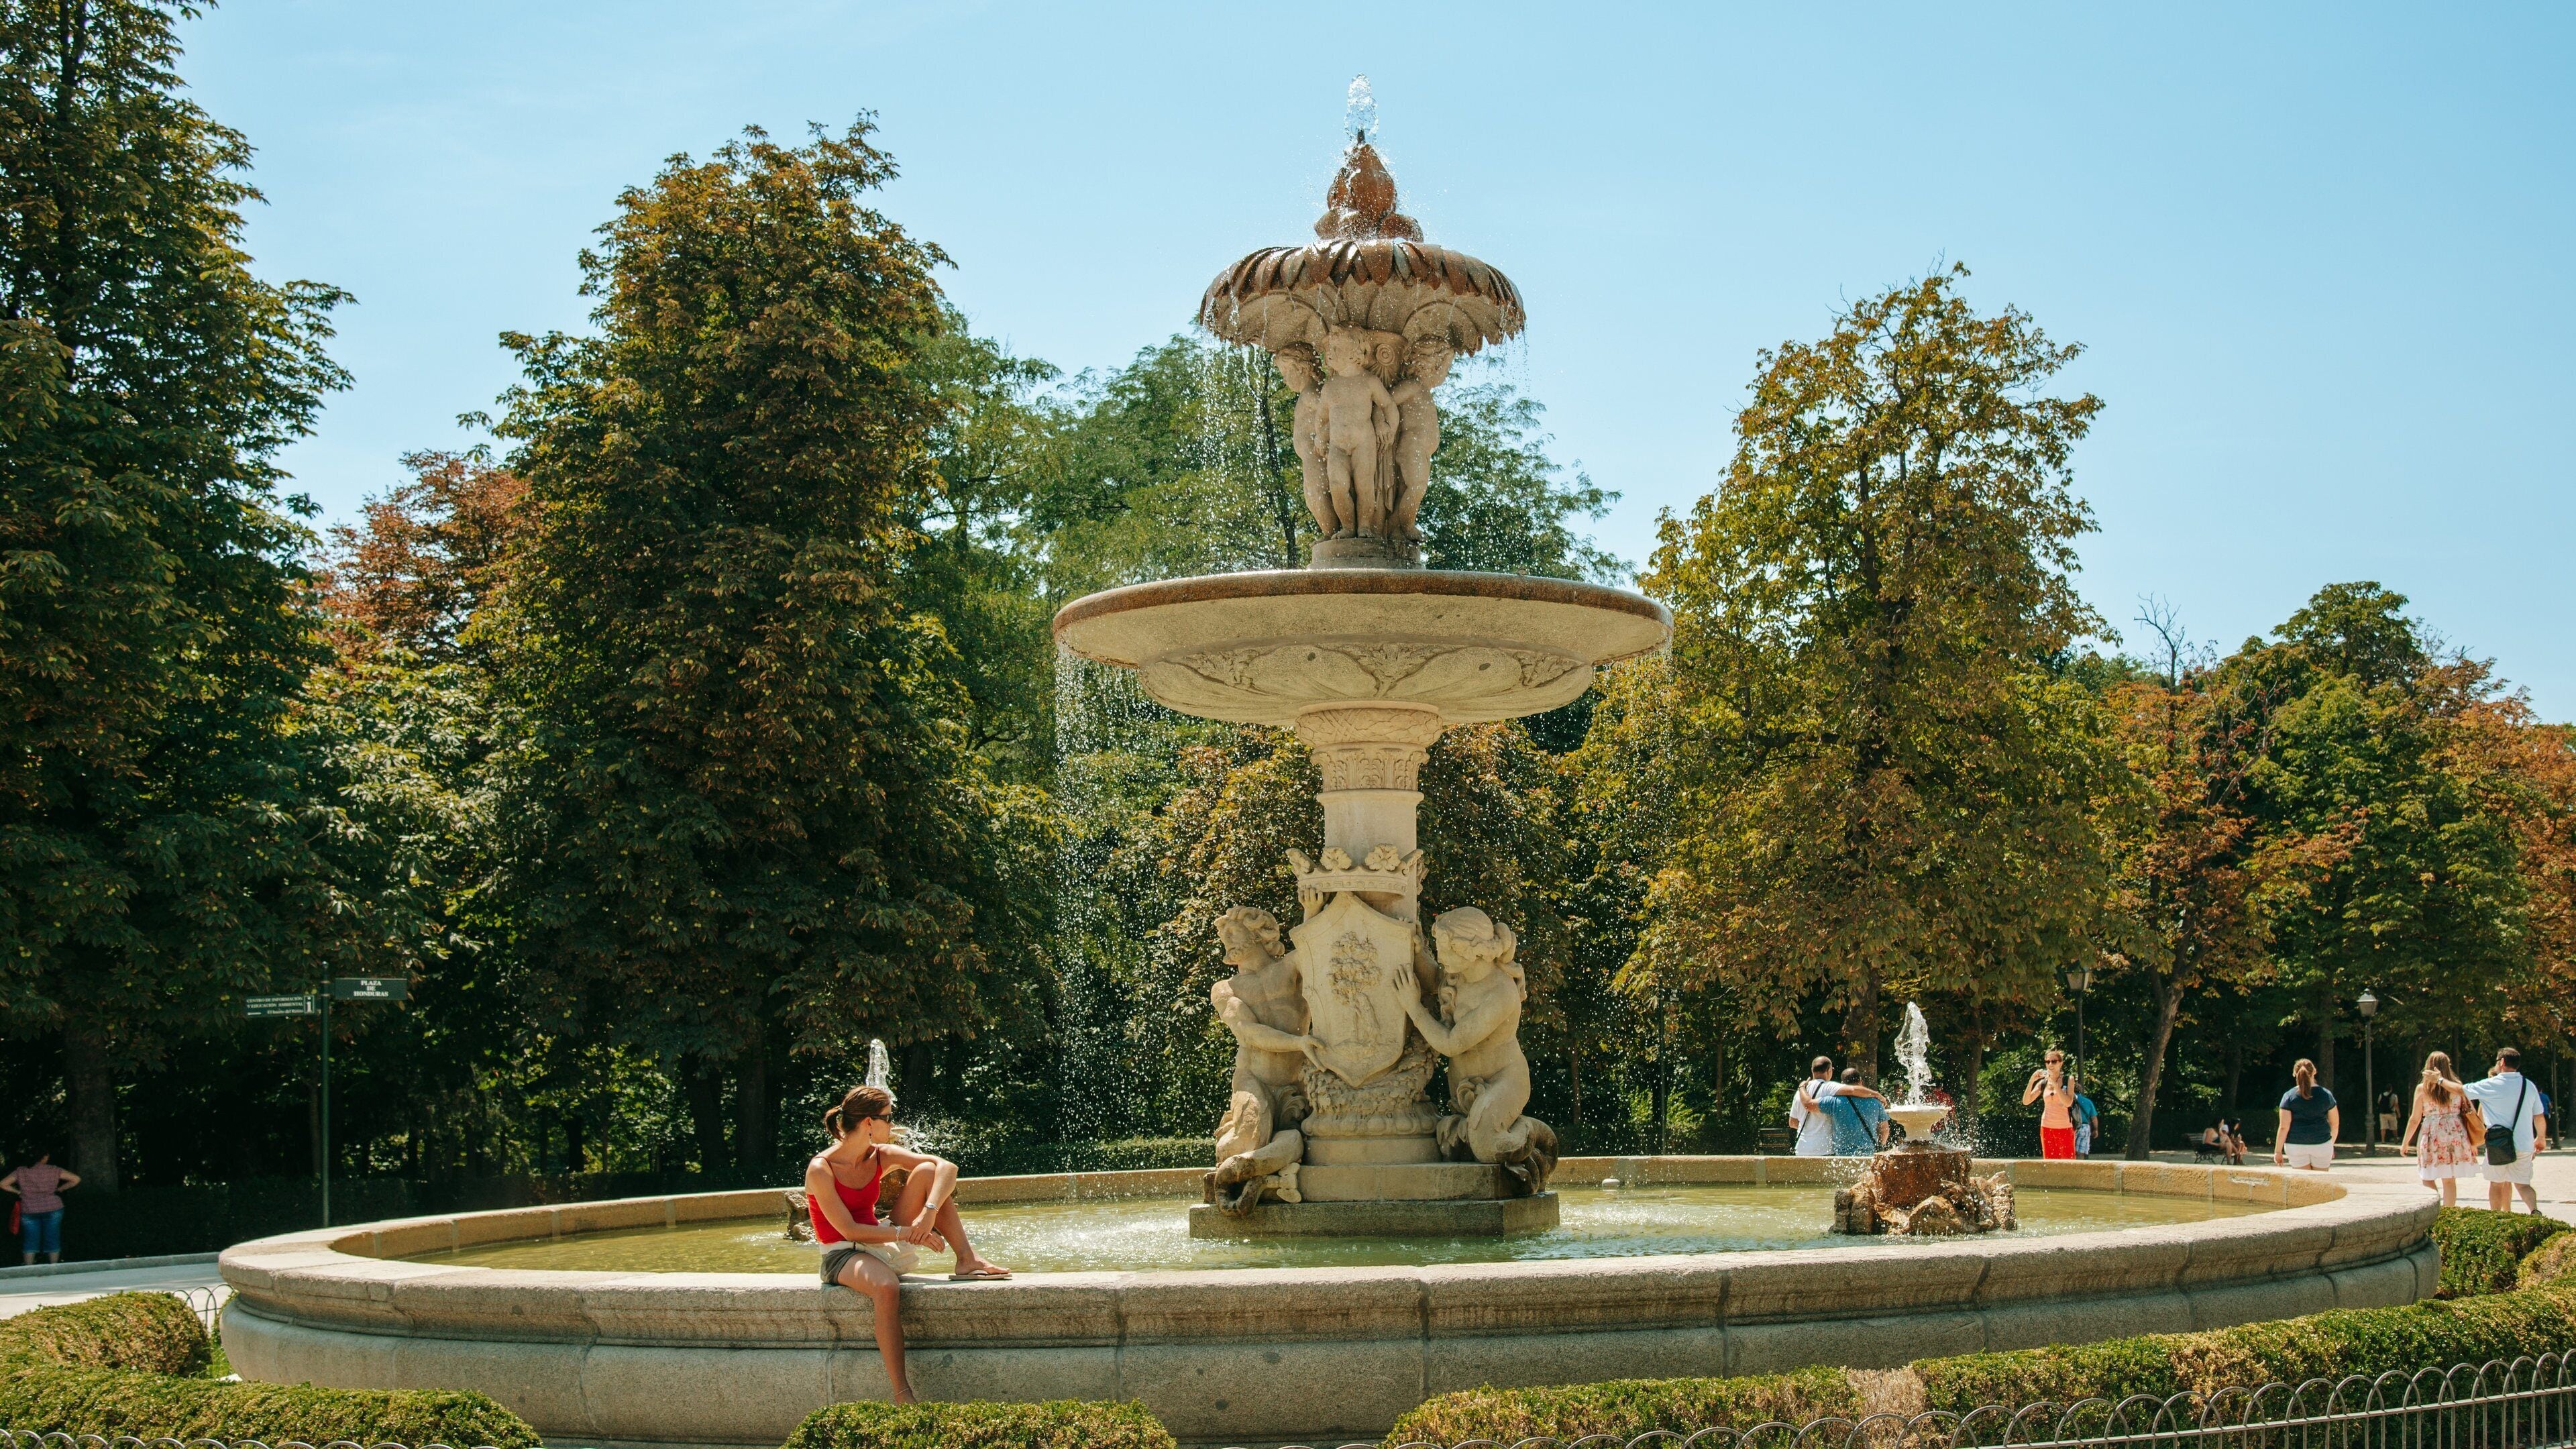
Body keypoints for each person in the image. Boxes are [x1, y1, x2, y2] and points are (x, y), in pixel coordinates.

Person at [805, 1085, 1010, 1405]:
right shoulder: (822, 1168)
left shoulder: (880, 1155)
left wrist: (927, 1216)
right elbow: (848, 1229)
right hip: (842, 1253)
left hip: (879, 1239)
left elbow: (947, 1168)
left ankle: (967, 1260)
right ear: (870, 1123)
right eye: (889, 1118)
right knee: (886, 1287)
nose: (893, 1125)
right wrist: (905, 1233)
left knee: (928, 1173)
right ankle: (902, 1393)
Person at [2465, 1047, 2551, 1213]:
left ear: (2502, 1062)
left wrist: (2440, 1081)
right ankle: (2535, 1211)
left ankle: (2497, 1217)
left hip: (2499, 1143)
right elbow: (2539, 1116)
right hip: (2524, 1144)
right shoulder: (2529, 1085)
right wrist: (2541, 1138)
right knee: (2524, 1185)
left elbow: (2463, 1091)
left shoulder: (2492, 1084)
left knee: (2496, 1184)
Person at [2398, 1051, 2478, 1208]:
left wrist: (2405, 1142)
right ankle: (2448, 1212)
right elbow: (2471, 1111)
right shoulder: (2456, 1087)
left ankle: (2435, 1209)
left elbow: (2415, 1119)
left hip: (2432, 1133)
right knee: (2449, 1179)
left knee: (2427, 1176)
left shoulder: (2422, 1089)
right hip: (2455, 1132)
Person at [1788, 1057, 1884, 1157]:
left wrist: (1811, 1127)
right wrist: (1876, 1094)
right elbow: (1853, 1090)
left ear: (1812, 1070)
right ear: (1829, 1070)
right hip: (1824, 1148)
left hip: (1802, 1148)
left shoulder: (1801, 1093)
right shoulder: (1830, 1087)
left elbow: (1792, 1122)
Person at [1, 1150, 78, 1265]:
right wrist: (61, 1189)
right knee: (53, 1239)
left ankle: (29, 1269)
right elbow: (76, 1179)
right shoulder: (53, 1170)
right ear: (45, 1157)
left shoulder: (21, 1171)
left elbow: (3, 1184)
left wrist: (18, 1192)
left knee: (30, 1241)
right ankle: (54, 1268)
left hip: (29, 1209)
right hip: (53, 1208)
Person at [2275, 1059, 2339, 1171]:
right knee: (2321, 1184)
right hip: (2322, 1143)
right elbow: (2335, 1124)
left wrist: (2278, 1151)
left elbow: (2284, 1127)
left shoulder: (2289, 1097)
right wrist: (2329, 1145)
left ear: (2295, 1074)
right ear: (2314, 1072)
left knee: (2303, 1185)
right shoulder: (2326, 1095)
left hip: (2296, 1145)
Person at [2023, 1050, 2078, 1159]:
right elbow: (2026, 1101)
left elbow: (2068, 1102)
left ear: (2061, 1063)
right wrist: (2032, 1081)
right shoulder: (2043, 1082)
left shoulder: (2068, 1079)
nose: (2050, 1064)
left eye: (2054, 1061)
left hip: (2065, 1127)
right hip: (2047, 1126)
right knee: (2049, 1163)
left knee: (2069, 1163)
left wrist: (2055, 1084)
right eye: (2048, 1062)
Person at [1823, 1067, 1890, 1156]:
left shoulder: (1834, 1101)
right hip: (1868, 1154)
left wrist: (1802, 1088)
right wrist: (1880, 1146)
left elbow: (1809, 1105)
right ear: (1861, 1081)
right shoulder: (1875, 1102)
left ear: (1842, 1084)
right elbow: (1885, 1129)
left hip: (1842, 1155)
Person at [2070, 1075, 2101, 1158]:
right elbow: (2094, 1117)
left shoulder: (2069, 1100)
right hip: (2085, 1127)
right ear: (2081, 1091)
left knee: (2070, 1149)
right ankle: (2080, 1167)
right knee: (2081, 1151)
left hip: (2072, 1126)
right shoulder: (2088, 1102)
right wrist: (2095, 1130)